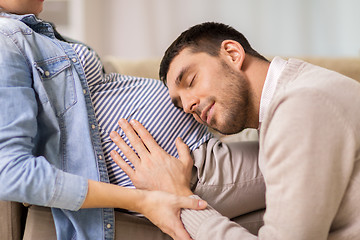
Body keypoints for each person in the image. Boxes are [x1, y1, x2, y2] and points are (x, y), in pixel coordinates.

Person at [0, 2, 266, 239]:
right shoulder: (5, 40)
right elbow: (9, 173)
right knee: (304, 157)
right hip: (187, 167)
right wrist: (145, 200)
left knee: (292, 213)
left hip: (201, 151)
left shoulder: (32, 32)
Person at [110, 22, 360, 239]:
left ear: (232, 53)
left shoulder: (300, 106)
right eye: (180, 104)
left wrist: (181, 198)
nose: (188, 106)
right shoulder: (297, 93)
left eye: (191, 81)